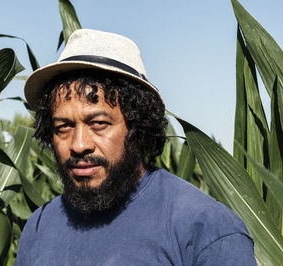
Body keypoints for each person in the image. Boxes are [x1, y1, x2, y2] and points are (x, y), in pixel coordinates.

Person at [14, 29, 256, 265]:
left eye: (98, 124)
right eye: (63, 127)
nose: (79, 145)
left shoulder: (205, 230)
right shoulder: (39, 227)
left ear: (138, 127)